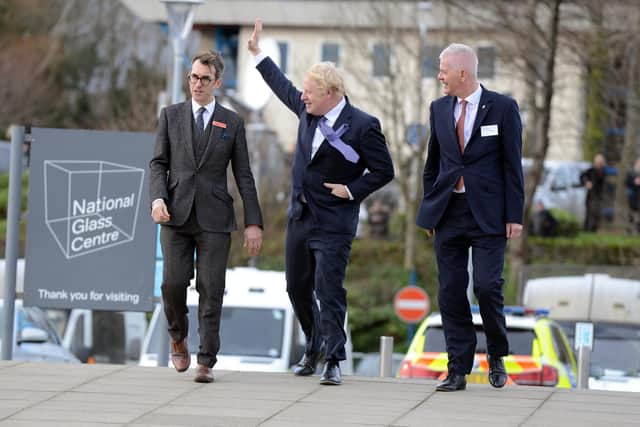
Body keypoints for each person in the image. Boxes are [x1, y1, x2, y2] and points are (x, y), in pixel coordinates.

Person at [248, 19, 394, 385]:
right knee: (296, 287)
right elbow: (282, 86)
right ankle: (312, 345)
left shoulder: (363, 125)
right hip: (300, 217)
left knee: (328, 289)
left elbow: (384, 170)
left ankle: (332, 357)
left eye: (311, 92)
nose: (304, 97)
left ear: (331, 92)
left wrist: (352, 190)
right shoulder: (306, 112)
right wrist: (257, 54)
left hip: (334, 222)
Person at [149, 50, 263, 383]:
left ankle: (206, 360)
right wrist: (157, 198)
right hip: (175, 213)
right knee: (172, 284)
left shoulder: (232, 121)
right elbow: (158, 163)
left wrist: (253, 222)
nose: (197, 84)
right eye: (193, 77)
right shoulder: (170, 116)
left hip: (215, 216)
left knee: (211, 288)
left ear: (217, 82)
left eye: (204, 79)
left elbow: (244, 175)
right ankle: (177, 336)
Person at [416, 43, 524, 392]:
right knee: (450, 291)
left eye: (443, 70)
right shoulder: (438, 108)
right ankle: (457, 368)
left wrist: (515, 215)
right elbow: (433, 164)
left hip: (489, 214)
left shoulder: (503, 108)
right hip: (448, 212)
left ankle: (496, 354)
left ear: (463, 72)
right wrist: (429, 208)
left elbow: (512, 166)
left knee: (487, 287)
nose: (439, 76)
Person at [580, 153, 607, 232]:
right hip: (591, 196)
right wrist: (587, 183)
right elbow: (582, 177)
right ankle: (587, 230)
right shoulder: (591, 170)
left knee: (596, 215)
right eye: (598, 161)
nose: (599, 163)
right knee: (590, 214)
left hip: (599, 196)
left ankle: (593, 230)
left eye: (601, 161)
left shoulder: (603, 171)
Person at [626, 158, 640, 234]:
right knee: (631, 215)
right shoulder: (631, 173)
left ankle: (638, 232)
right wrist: (634, 182)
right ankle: (629, 231)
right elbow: (627, 182)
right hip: (632, 197)